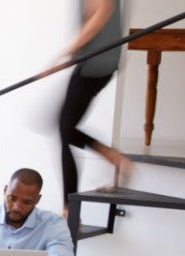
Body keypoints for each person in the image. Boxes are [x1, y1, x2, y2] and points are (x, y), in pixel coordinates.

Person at [56, 0, 132, 215]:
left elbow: (98, 17)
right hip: (95, 62)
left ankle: (69, 209)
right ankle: (112, 156)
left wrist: (63, 55)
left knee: (64, 128)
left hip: (94, 63)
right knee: (64, 127)